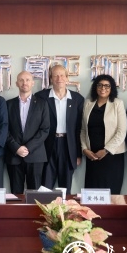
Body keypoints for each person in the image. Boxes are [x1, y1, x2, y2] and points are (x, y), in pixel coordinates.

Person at [35, 65, 84, 195]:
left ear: (67, 78)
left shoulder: (77, 99)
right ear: (51, 78)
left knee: (65, 187)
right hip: (47, 145)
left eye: (62, 75)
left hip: (68, 146)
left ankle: (64, 208)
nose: (59, 78)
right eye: (55, 75)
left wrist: (78, 154)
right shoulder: (41, 97)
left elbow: (79, 128)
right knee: (45, 188)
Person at [81, 74, 127, 194]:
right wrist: (84, 149)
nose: (103, 88)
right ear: (95, 87)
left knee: (111, 193)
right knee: (92, 193)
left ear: (112, 88)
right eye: (100, 85)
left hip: (112, 156)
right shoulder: (88, 103)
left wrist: (106, 150)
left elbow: (121, 131)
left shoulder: (117, 103)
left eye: (107, 86)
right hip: (92, 156)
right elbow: (83, 130)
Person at [6, 71, 50, 194]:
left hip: (35, 155)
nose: (24, 83)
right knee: (16, 194)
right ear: (16, 83)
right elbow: (4, 129)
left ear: (32, 83)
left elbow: (45, 129)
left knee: (35, 195)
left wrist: (28, 147)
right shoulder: (8, 104)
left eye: (27, 80)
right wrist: (16, 148)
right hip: (14, 155)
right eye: (21, 80)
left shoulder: (42, 103)